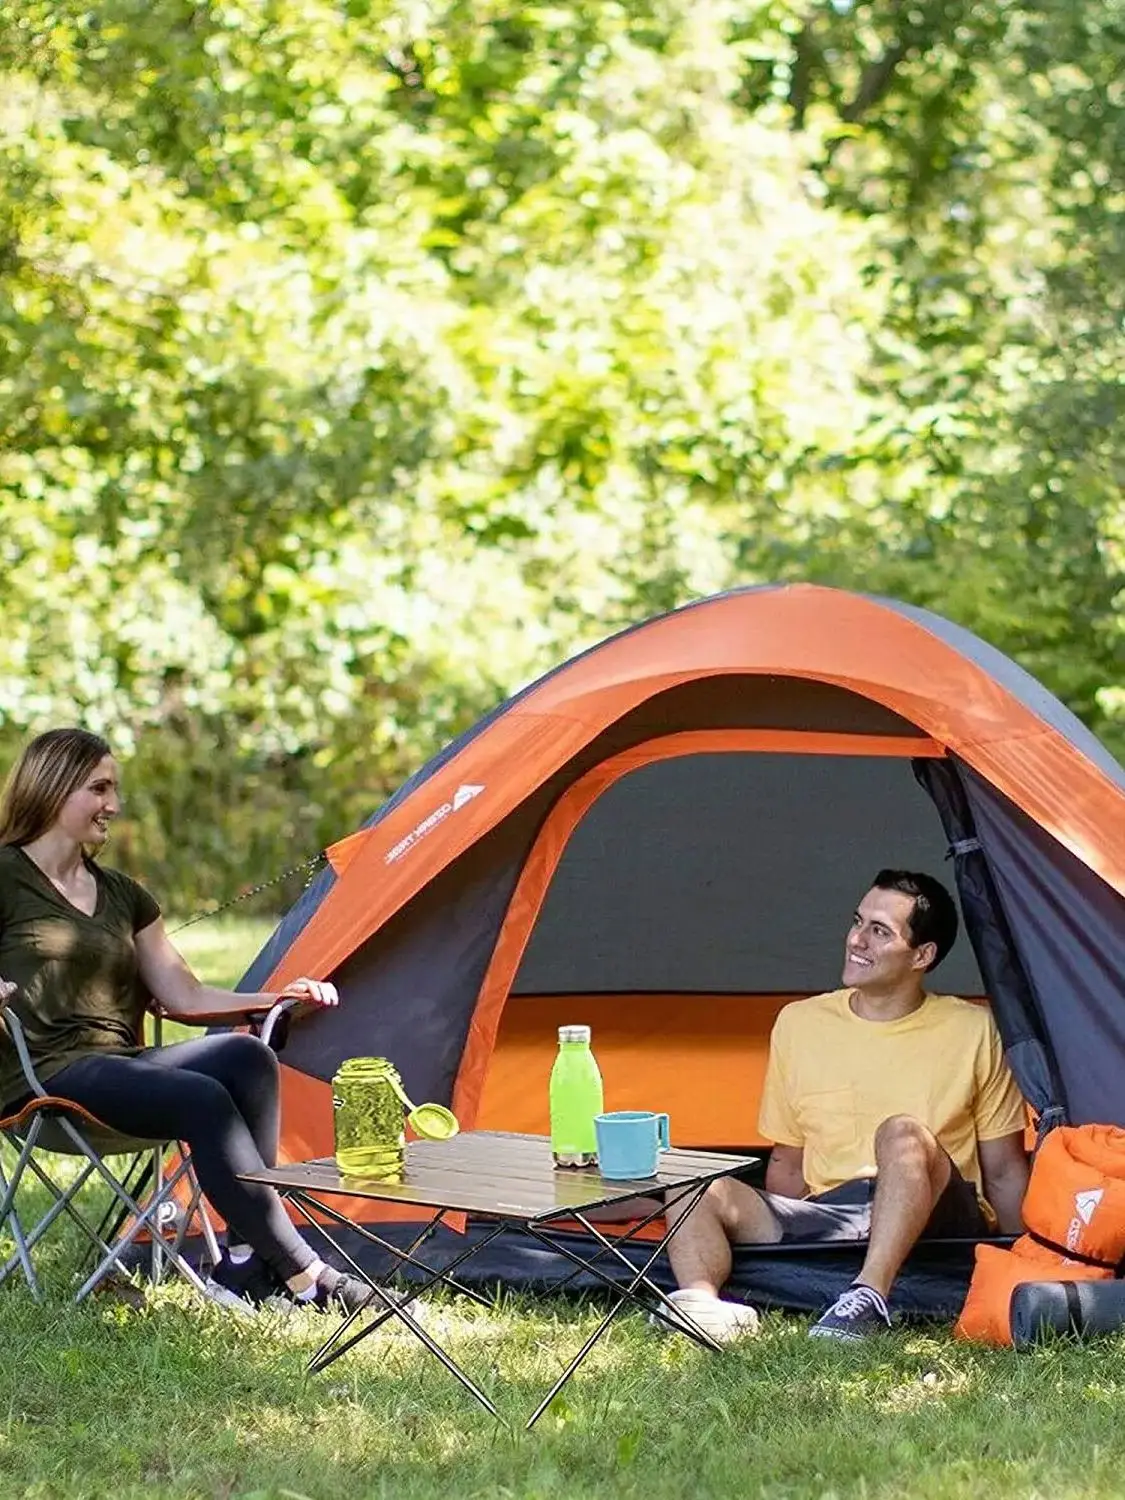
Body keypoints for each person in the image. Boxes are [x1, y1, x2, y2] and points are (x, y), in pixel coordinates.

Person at [0, 726, 369, 1312]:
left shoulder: (123, 894)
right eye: (99, 788)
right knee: (199, 1097)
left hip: (122, 1068)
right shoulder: (5, 876)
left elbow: (183, 994)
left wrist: (274, 998)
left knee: (247, 1056)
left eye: (114, 789)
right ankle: (305, 1273)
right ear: (54, 788)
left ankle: (247, 1264)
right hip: (42, 1077)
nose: (113, 806)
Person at [661, 869, 1030, 1342]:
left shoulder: (975, 1030)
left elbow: (1002, 1169)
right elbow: (788, 1162)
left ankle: (867, 1299)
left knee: (901, 1133)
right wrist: (787, 1257)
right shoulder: (799, 1023)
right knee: (690, 1184)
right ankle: (701, 1303)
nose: (857, 940)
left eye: (879, 931)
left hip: (939, 1212)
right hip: (835, 1214)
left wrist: (1026, 1259)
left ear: (922, 955)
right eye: (858, 922)